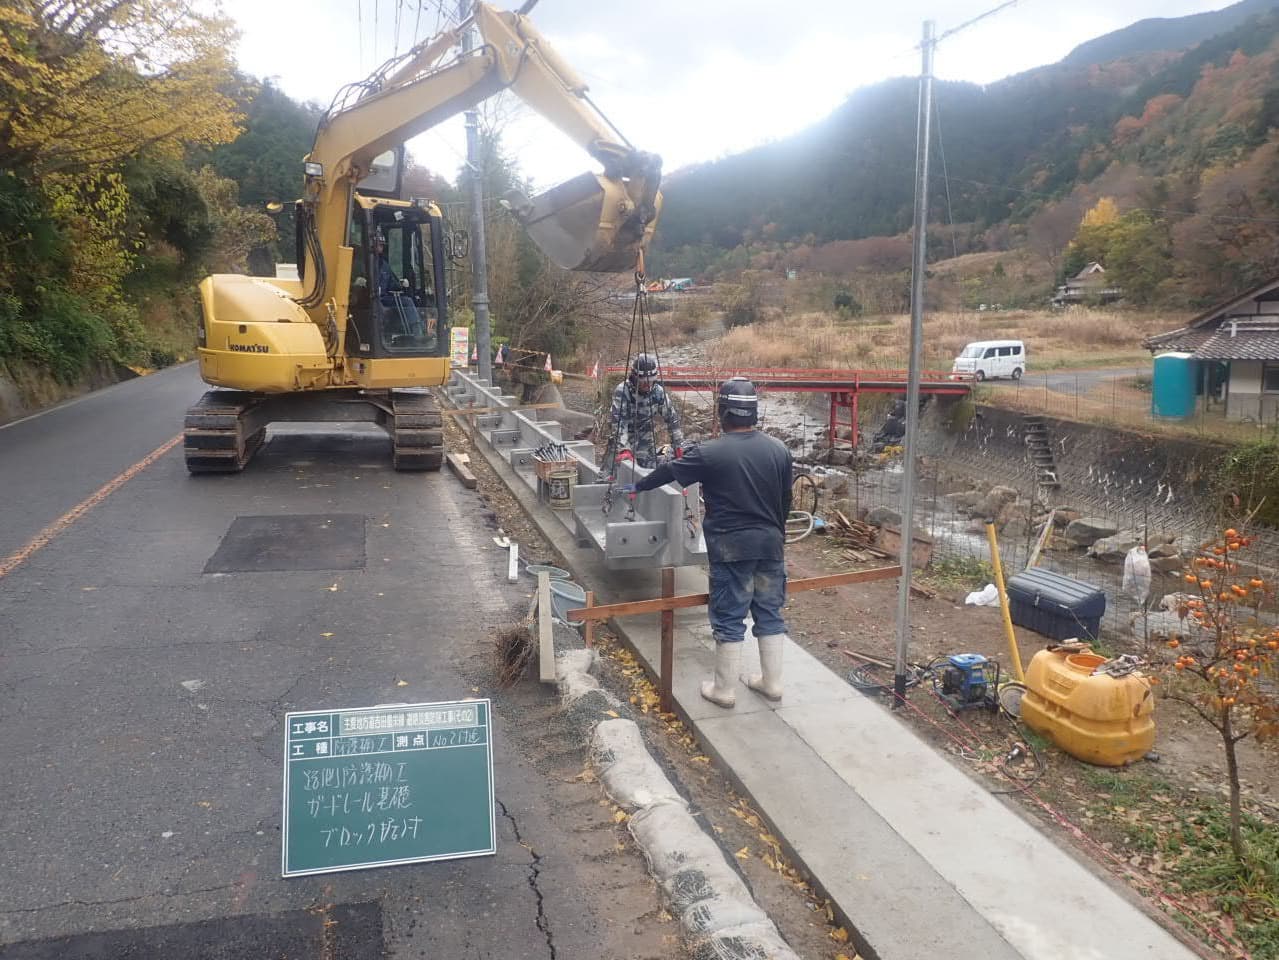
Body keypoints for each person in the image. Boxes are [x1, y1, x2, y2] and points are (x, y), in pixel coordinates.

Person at [628, 377, 793, 708]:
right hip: (771, 545)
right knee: (769, 612)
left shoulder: (711, 453)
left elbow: (670, 471)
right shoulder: (779, 450)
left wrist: (638, 487)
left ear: (723, 412)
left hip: (732, 548)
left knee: (730, 616)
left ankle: (723, 690)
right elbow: (785, 501)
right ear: (753, 413)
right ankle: (772, 684)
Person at [606, 353, 684, 469]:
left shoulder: (658, 392)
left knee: (648, 473)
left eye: (651, 380)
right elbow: (618, 423)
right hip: (622, 438)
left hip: (645, 439)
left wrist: (678, 445)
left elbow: (672, 419)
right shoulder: (623, 391)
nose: (648, 384)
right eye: (643, 381)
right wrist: (624, 449)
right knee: (612, 475)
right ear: (635, 377)